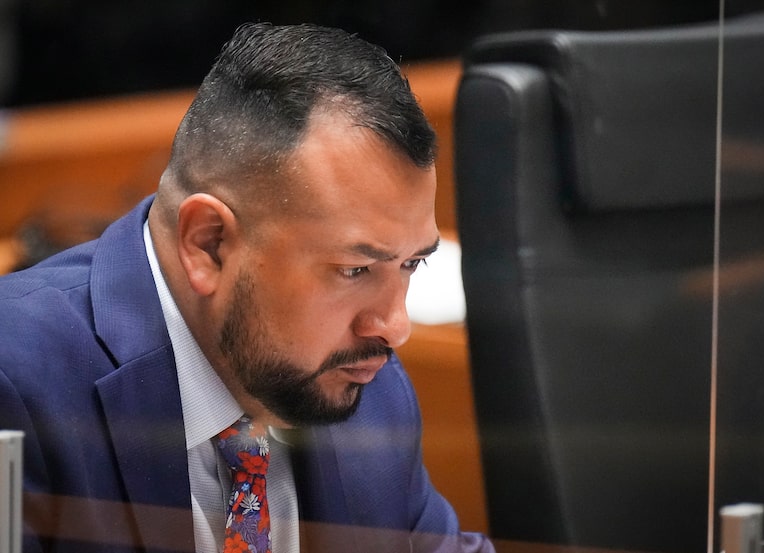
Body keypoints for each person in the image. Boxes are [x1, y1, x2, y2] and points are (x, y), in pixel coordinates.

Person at [0, 22, 495, 553]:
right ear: (209, 244)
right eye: (355, 270)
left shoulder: (367, 390)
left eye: (411, 265)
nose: (393, 327)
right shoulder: (16, 383)